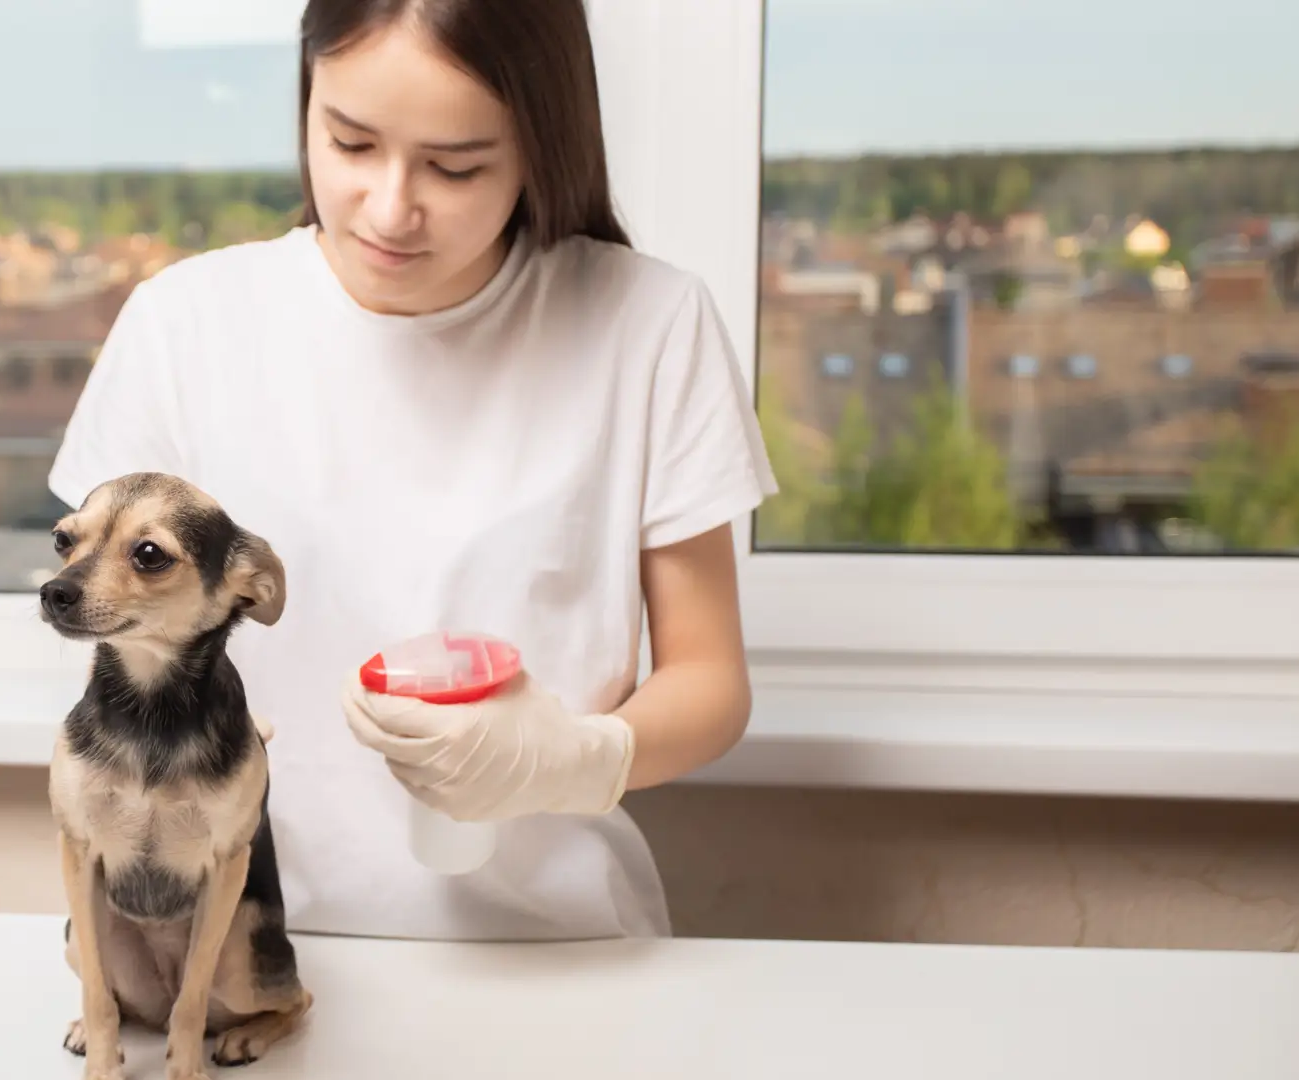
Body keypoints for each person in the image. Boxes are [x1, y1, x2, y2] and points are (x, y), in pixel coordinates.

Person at [47, 0, 776, 942]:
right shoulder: (185, 326)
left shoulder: (647, 326)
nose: (391, 207)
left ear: (542, 144)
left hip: (557, 950)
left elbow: (711, 682)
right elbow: (106, 638)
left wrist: (577, 758)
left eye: (456, 165)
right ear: (308, 101)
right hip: (247, 953)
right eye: (350, 144)